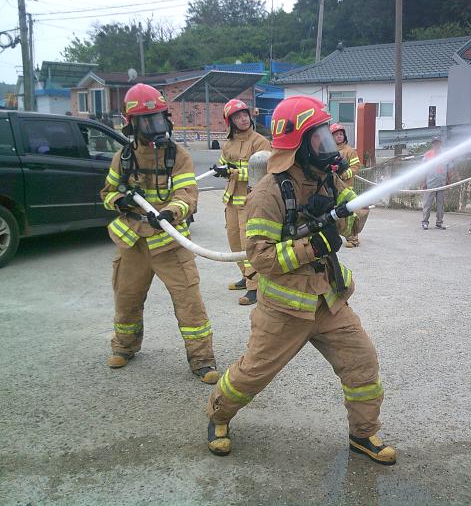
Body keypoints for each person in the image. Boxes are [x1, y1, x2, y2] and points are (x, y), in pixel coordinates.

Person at [206, 96, 395, 466]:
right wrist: (313, 245)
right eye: (319, 138)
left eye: (328, 136)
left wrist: (350, 207)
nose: (328, 145)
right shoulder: (268, 193)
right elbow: (260, 257)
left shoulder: (328, 179)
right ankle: (217, 415)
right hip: (284, 309)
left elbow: (354, 223)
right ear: (298, 145)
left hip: (329, 299)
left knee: (363, 363)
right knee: (252, 374)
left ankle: (363, 434)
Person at [100, 83, 219, 384]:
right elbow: (107, 193)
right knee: (126, 298)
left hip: (170, 243)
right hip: (133, 243)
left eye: (158, 118)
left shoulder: (178, 156)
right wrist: (121, 200)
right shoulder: (123, 158)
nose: (155, 127)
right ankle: (125, 347)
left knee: (189, 302)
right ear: (132, 124)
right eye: (146, 121)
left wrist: (171, 212)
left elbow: (187, 192)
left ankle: (202, 360)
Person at [213, 99, 272, 305]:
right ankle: (245, 276)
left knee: (249, 245)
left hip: (250, 201)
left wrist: (233, 172)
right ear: (230, 122)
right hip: (231, 200)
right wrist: (220, 169)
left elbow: (264, 171)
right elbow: (223, 165)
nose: (243, 119)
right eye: (237, 117)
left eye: (245, 114)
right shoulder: (228, 144)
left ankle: (255, 286)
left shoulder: (260, 142)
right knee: (234, 243)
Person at [331, 122, 370, 248]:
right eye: (336, 134)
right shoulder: (328, 151)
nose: (339, 136)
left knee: (350, 213)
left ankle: (353, 238)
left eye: (341, 134)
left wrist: (343, 175)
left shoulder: (350, 151)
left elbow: (356, 166)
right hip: (331, 188)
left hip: (346, 188)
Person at [421, 136, 450, 230]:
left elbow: (448, 168)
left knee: (440, 204)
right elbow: (423, 170)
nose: (437, 145)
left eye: (438, 143)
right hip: (430, 183)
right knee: (427, 204)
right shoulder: (427, 155)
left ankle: (439, 222)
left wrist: (448, 180)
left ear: (440, 143)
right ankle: (425, 222)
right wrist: (424, 182)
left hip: (441, 182)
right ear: (432, 144)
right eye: (435, 143)